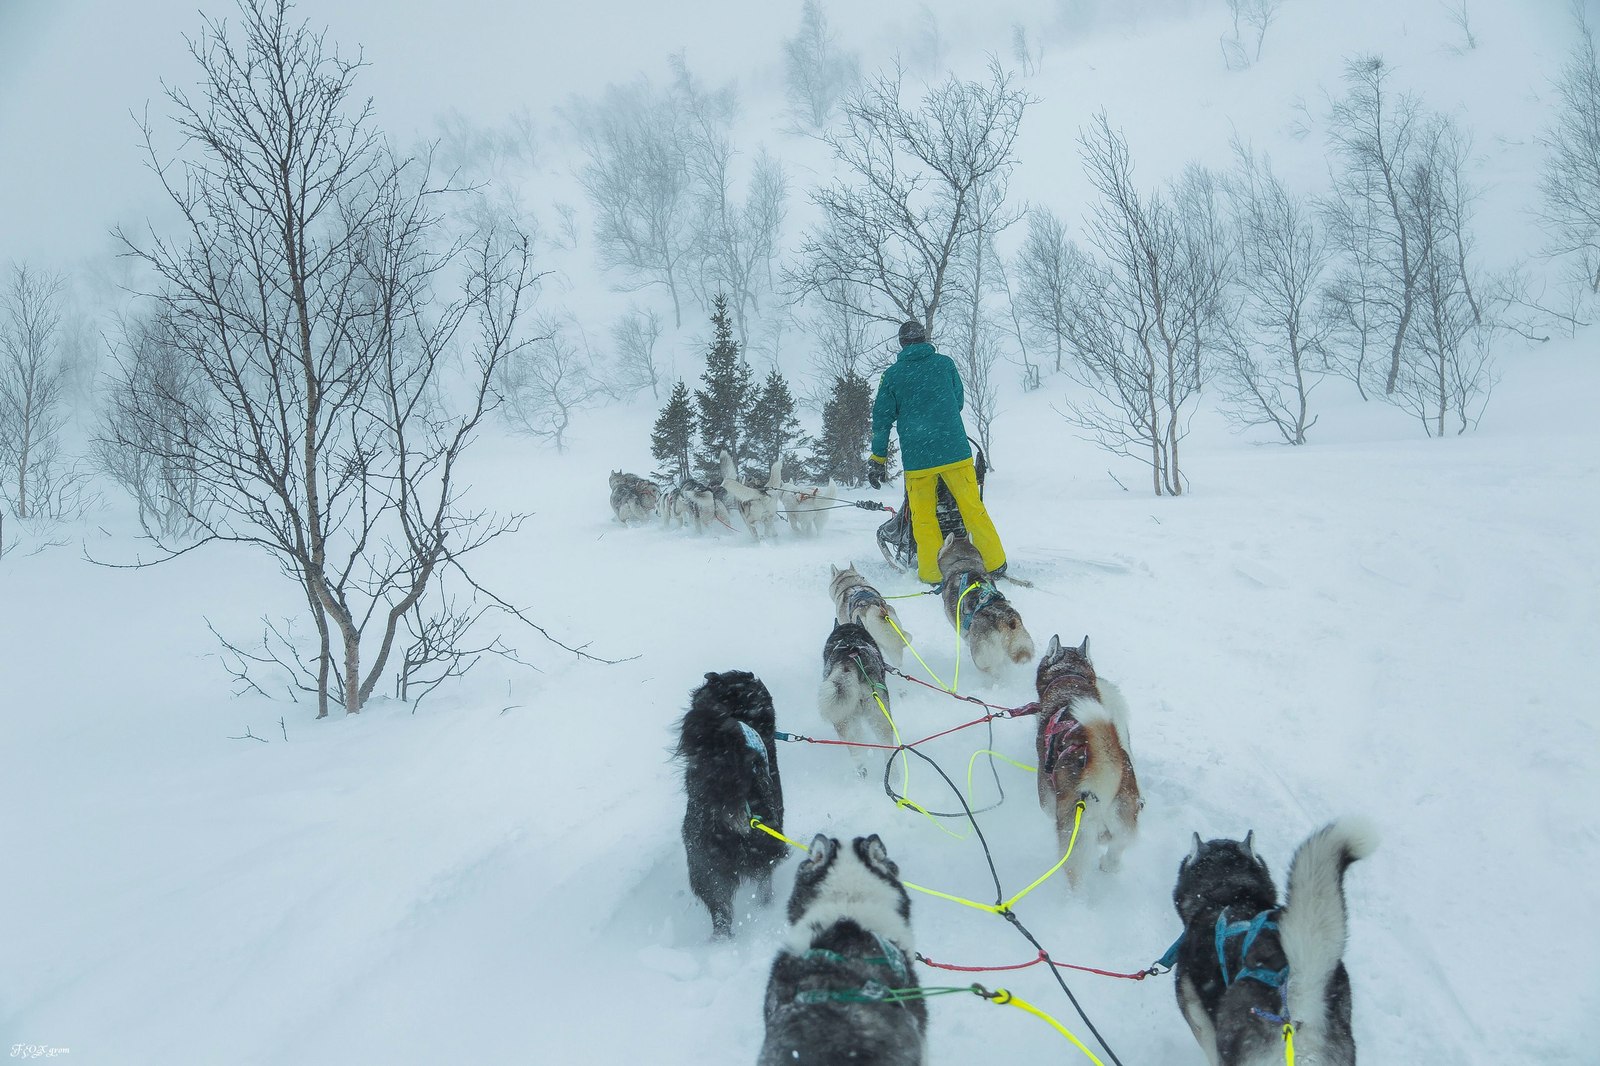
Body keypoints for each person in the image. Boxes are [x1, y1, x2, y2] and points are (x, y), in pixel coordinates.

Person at [867, 320, 1007, 585]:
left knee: (924, 519)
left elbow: (881, 419)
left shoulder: (893, 375)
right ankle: (995, 563)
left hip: (919, 460)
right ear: (924, 339)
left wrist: (878, 459)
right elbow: (958, 401)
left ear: (902, 344)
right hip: (955, 451)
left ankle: (932, 574)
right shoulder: (945, 364)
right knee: (972, 509)